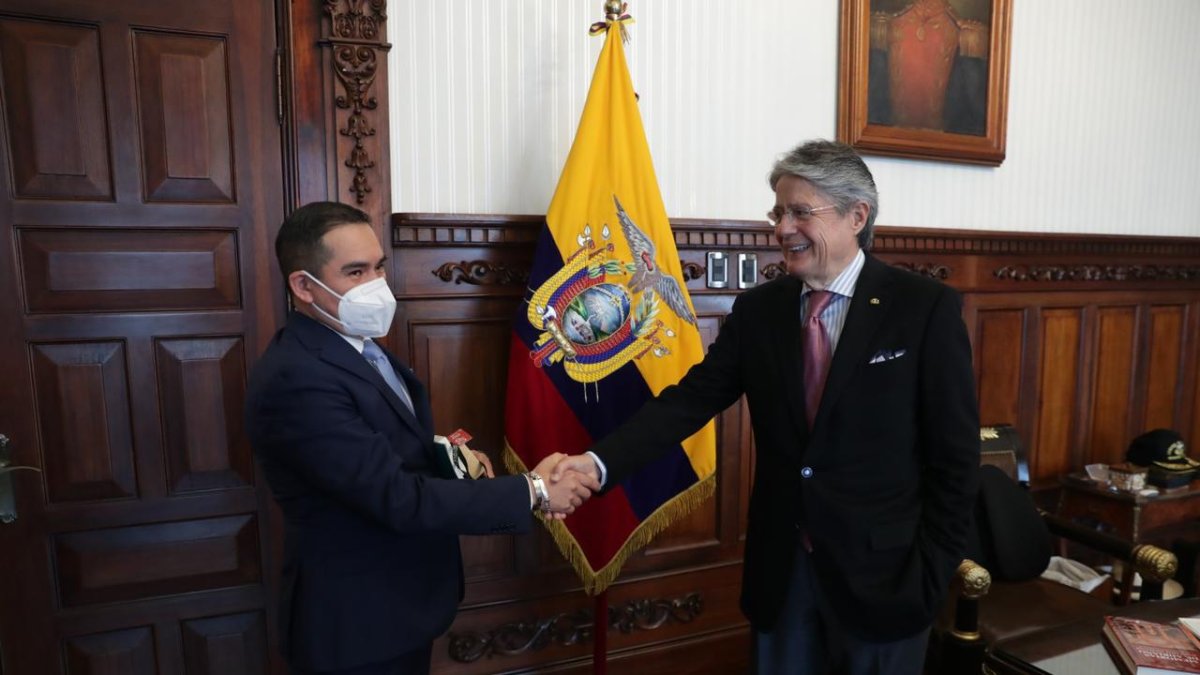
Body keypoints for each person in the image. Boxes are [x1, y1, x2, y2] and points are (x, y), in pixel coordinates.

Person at [551, 141, 980, 674]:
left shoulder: (923, 308)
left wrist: (931, 574)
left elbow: (955, 459)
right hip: (784, 575)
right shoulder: (759, 311)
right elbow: (688, 402)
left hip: (888, 579)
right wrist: (594, 465)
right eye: (779, 212)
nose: (781, 228)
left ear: (857, 216)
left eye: (801, 212)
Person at [245, 202, 597, 675]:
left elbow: (388, 450)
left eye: (378, 267)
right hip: (356, 624)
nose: (375, 286)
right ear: (304, 286)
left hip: (397, 606)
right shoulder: (298, 377)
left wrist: (455, 464)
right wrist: (533, 491)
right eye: (355, 272)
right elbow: (396, 497)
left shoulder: (355, 347)